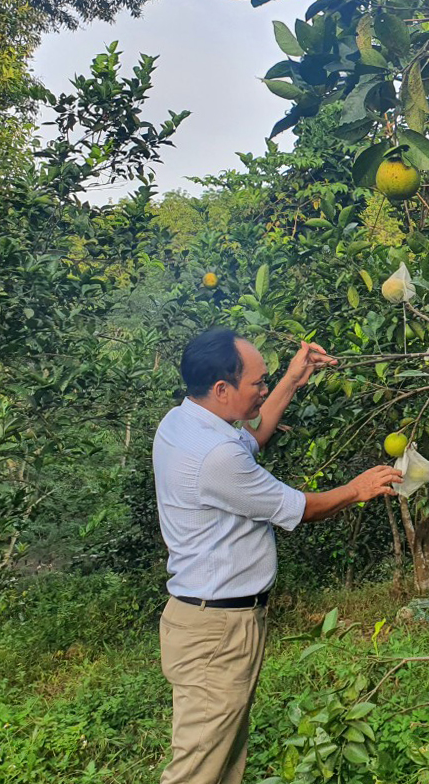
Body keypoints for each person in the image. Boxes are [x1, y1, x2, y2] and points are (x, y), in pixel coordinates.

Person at [153, 327, 401, 784]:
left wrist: (292, 378)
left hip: (209, 621)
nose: (263, 391)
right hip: (216, 632)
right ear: (222, 389)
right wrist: (357, 489)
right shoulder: (215, 455)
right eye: (258, 384)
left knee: (223, 759)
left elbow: (255, 435)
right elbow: (298, 508)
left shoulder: (184, 422)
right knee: (195, 770)